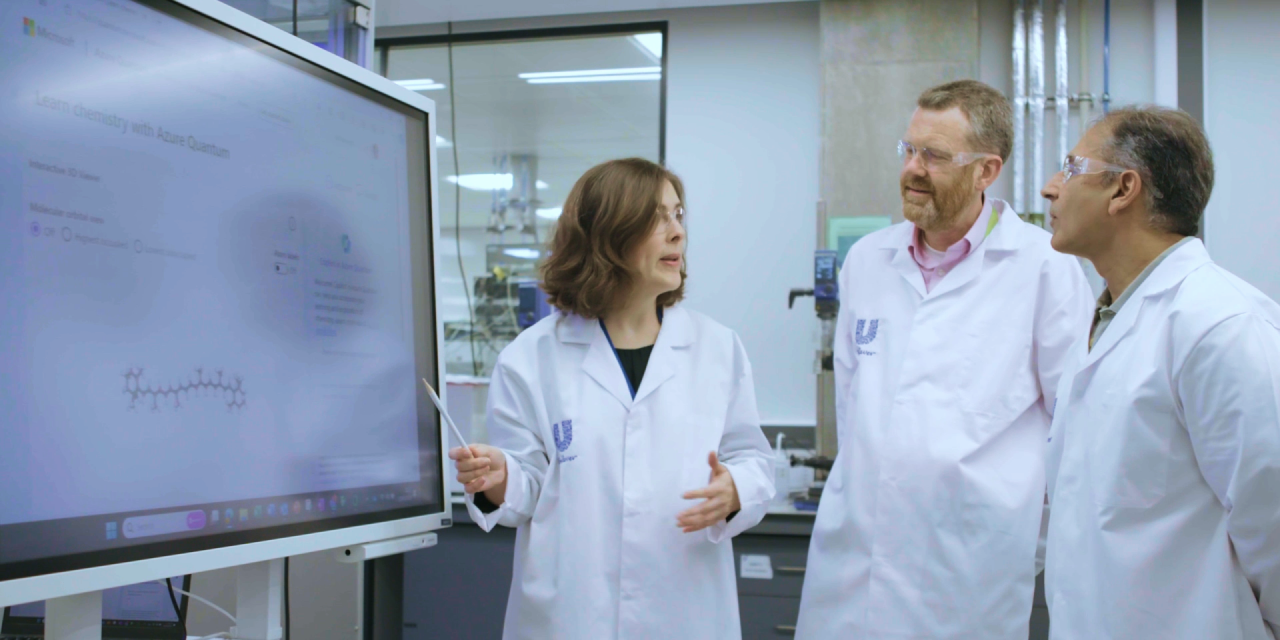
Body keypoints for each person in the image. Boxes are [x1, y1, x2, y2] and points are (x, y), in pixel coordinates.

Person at [795, 79, 1093, 639]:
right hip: (852, 569)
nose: (913, 168)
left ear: (986, 170)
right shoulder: (866, 262)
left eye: (934, 156)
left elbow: (1073, 433)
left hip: (967, 578)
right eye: (909, 150)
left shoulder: (1044, 269)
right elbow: (856, 411)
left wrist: (1013, 542)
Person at [448, 158, 775, 639]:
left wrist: (735, 490)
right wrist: (501, 477)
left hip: (684, 610)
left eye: (678, 215)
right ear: (607, 234)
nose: (677, 233)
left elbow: (753, 459)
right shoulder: (532, 356)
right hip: (572, 615)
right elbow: (527, 486)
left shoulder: (716, 348)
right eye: (656, 218)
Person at [1040, 106, 1280, 639]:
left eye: (1070, 167)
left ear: (1123, 190)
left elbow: (1273, 516)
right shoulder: (1109, 320)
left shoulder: (1218, 323)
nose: (1049, 188)